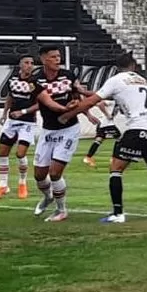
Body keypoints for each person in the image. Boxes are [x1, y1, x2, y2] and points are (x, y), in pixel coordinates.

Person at [59, 53, 147, 223]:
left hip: (138, 127)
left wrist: (68, 115)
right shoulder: (142, 80)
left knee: (115, 169)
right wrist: (86, 92)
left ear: (116, 67)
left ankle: (118, 214)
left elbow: (93, 101)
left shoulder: (116, 79)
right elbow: (117, 94)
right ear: (133, 66)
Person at [30, 45, 91, 222]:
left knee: (55, 172)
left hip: (69, 129)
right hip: (48, 129)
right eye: (53, 57)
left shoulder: (69, 75)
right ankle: (48, 196)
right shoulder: (35, 80)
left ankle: (61, 210)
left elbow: (77, 96)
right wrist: (65, 108)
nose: (58, 59)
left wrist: (84, 110)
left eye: (58, 56)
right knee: (39, 175)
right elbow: (47, 102)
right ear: (43, 59)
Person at [0, 55, 38, 200]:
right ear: (20, 65)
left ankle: (22, 183)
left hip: (27, 122)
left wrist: (23, 112)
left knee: (20, 153)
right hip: (12, 122)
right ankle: (3, 186)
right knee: (2, 153)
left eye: (32, 63)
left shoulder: (36, 82)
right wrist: (5, 113)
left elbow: (40, 103)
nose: (29, 65)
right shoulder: (13, 80)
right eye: (26, 63)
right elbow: (10, 98)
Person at [82, 100, 123, 167]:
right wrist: (107, 115)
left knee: (99, 140)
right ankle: (114, 159)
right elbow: (100, 104)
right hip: (107, 124)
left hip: (102, 123)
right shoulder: (112, 101)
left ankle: (88, 157)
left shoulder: (118, 103)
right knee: (120, 139)